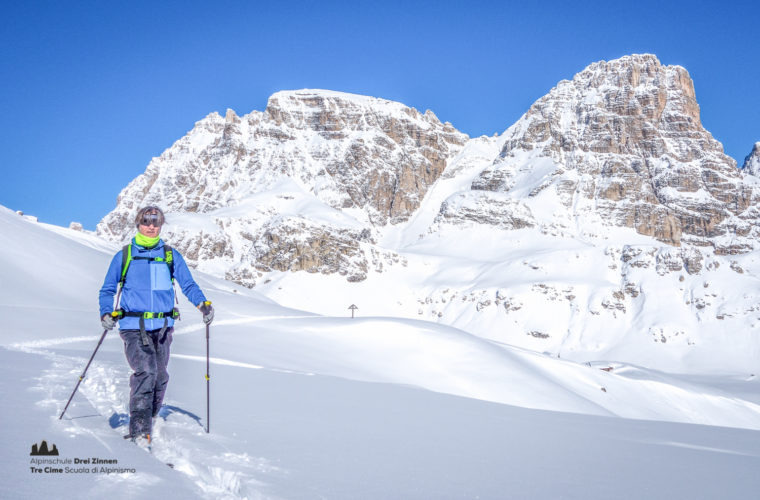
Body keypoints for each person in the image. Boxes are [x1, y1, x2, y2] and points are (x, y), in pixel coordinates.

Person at [99, 206, 214, 444]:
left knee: (160, 376)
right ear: (138, 224)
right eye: (146, 221)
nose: (151, 226)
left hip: (162, 326)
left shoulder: (170, 255)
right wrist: (105, 313)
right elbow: (108, 289)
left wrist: (202, 304)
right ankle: (139, 429)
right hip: (133, 324)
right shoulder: (125, 255)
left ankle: (149, 417)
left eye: (156, 222)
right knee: (146, 371)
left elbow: (188, 285)